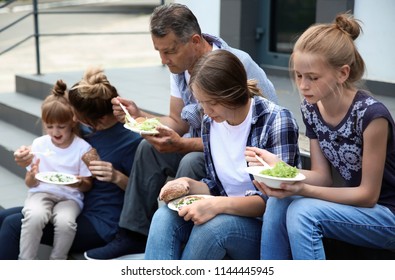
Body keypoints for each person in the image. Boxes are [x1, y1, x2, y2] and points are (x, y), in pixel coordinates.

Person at [85, 3, 279, 259]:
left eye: (170, 51)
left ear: (195, 41)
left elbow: (246, 137)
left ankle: (185, 236)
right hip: (208, 147)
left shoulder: (235, 65)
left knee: (190, 159)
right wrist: (140, 116)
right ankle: (132, 233)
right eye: (159, 52)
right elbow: (177, 121)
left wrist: (183, 145)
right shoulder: (179, 67)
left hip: (241, 158)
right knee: (147, 149)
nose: (164, 60)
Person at [249, 13, 395, 260]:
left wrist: (301, 188)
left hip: (386, 214)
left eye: (313, 78)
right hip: (352, 208)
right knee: (277, 202)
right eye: (298, 75)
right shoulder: (311, 108)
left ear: (342, 73)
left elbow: (368, 196)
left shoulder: (372, 116)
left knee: (302, 212)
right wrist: (281, 170)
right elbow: (323, 177)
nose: (303, 85)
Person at [144, 50, 300, 259]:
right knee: (164, 216)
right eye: (202, 103)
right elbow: (216, 186)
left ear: (232, 92)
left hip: (265, 229)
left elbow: (273, 200)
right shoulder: (212, 122)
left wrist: (215, 205)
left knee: (213, 228)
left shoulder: (276, 121)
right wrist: (188, 185)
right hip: (226, 211)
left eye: (212, 103)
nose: (206, 111)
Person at [0, 67, 143, 259]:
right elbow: (55, 139)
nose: (73, 119)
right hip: (71, 201)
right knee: (4, 217)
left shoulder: (131, 142)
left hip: (101, 221)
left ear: (98, 119)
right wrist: (26, 156)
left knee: (13, 225)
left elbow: (143, 195)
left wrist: (117, 177)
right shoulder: (84, 128)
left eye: (77, 116)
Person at [18, 80, 93, 260]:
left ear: (72, 123)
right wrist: (32, 175)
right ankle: (25, 260)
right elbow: (30, 184)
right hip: (42, 193)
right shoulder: (39, 145)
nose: (55, 132)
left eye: (61, 126)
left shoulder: (82, 148)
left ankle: (57, 261)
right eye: (49, 127)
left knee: (66, 223)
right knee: (34, 216)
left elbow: (87, 185)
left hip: (70, 197)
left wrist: (79, 182)